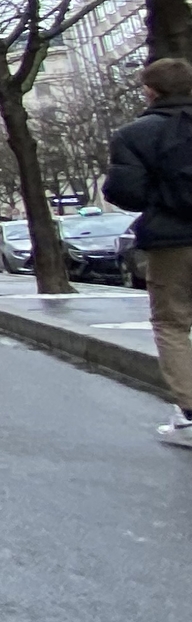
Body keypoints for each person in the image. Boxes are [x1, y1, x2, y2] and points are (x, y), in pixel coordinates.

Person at [101, 56, 192, 447]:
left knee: (171, 322)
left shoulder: (134, 134)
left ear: (150, 90)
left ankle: (189, 413)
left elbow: (126, 192)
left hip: (172, 240)